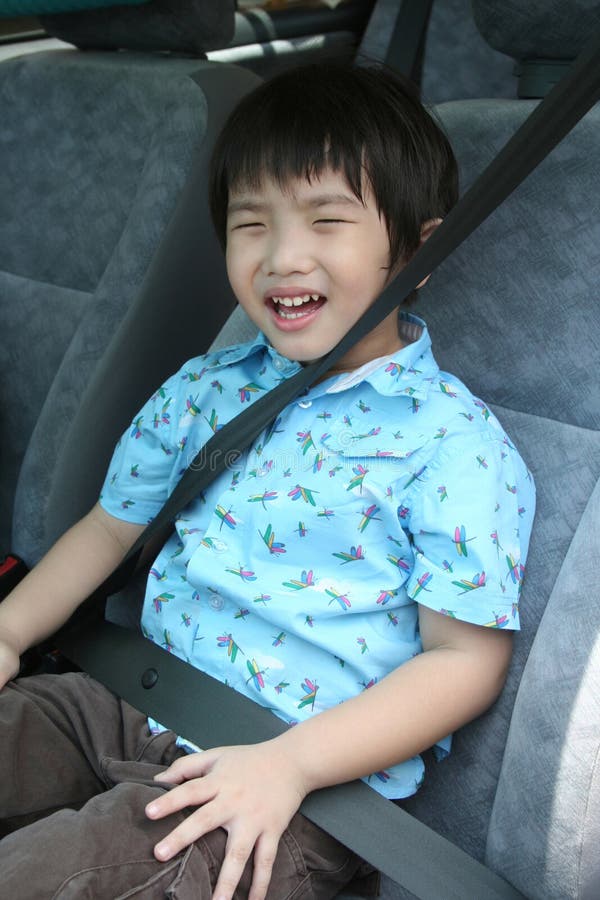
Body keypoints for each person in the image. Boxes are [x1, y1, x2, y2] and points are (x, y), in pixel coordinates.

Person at [0, 62, 535, 900]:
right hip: (125, 697)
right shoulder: (209, 386)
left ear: (419, 250)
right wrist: (7, 633)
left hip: (289, 783)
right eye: (252, 225)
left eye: (327, 222)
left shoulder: (453, 444)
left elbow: (464, 660)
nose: (284, 256)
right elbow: (110, 527)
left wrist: (292, 763)